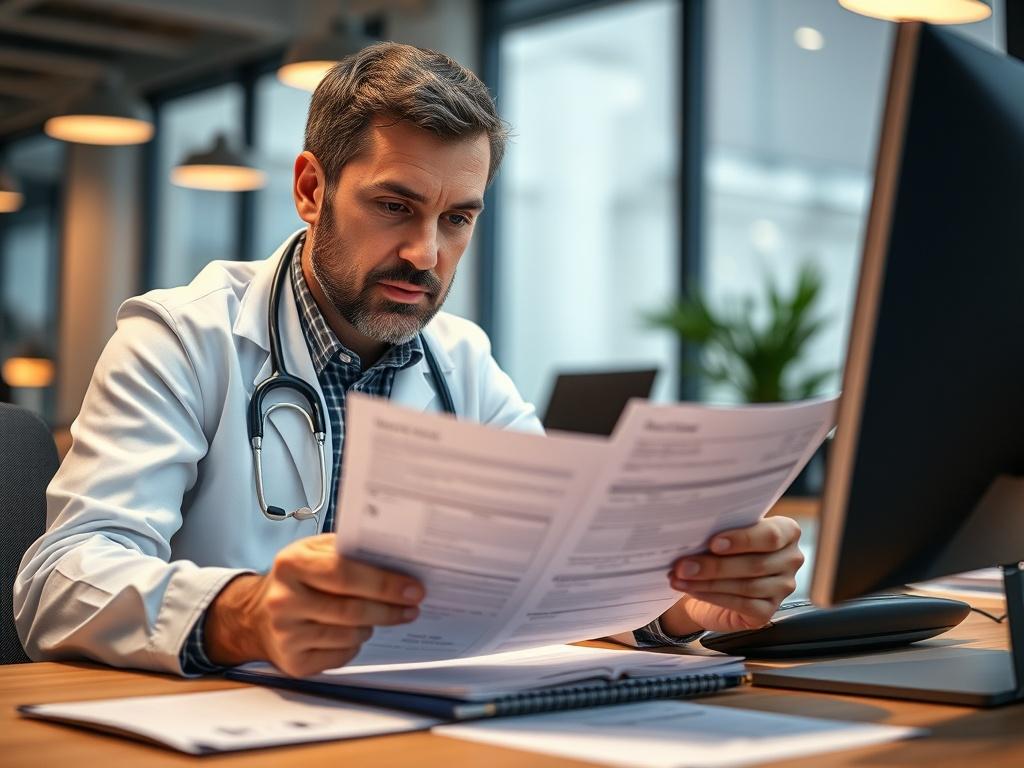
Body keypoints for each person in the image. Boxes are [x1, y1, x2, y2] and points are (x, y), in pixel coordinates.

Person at [14, 43, 803, 677]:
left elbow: (556, 574)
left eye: (457, 218)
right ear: (311, 187)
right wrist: (243, 613)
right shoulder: (181, 338)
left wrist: (684, 606)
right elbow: (60, 580)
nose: (426, 254)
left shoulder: (463, 364)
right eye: (395, 206)